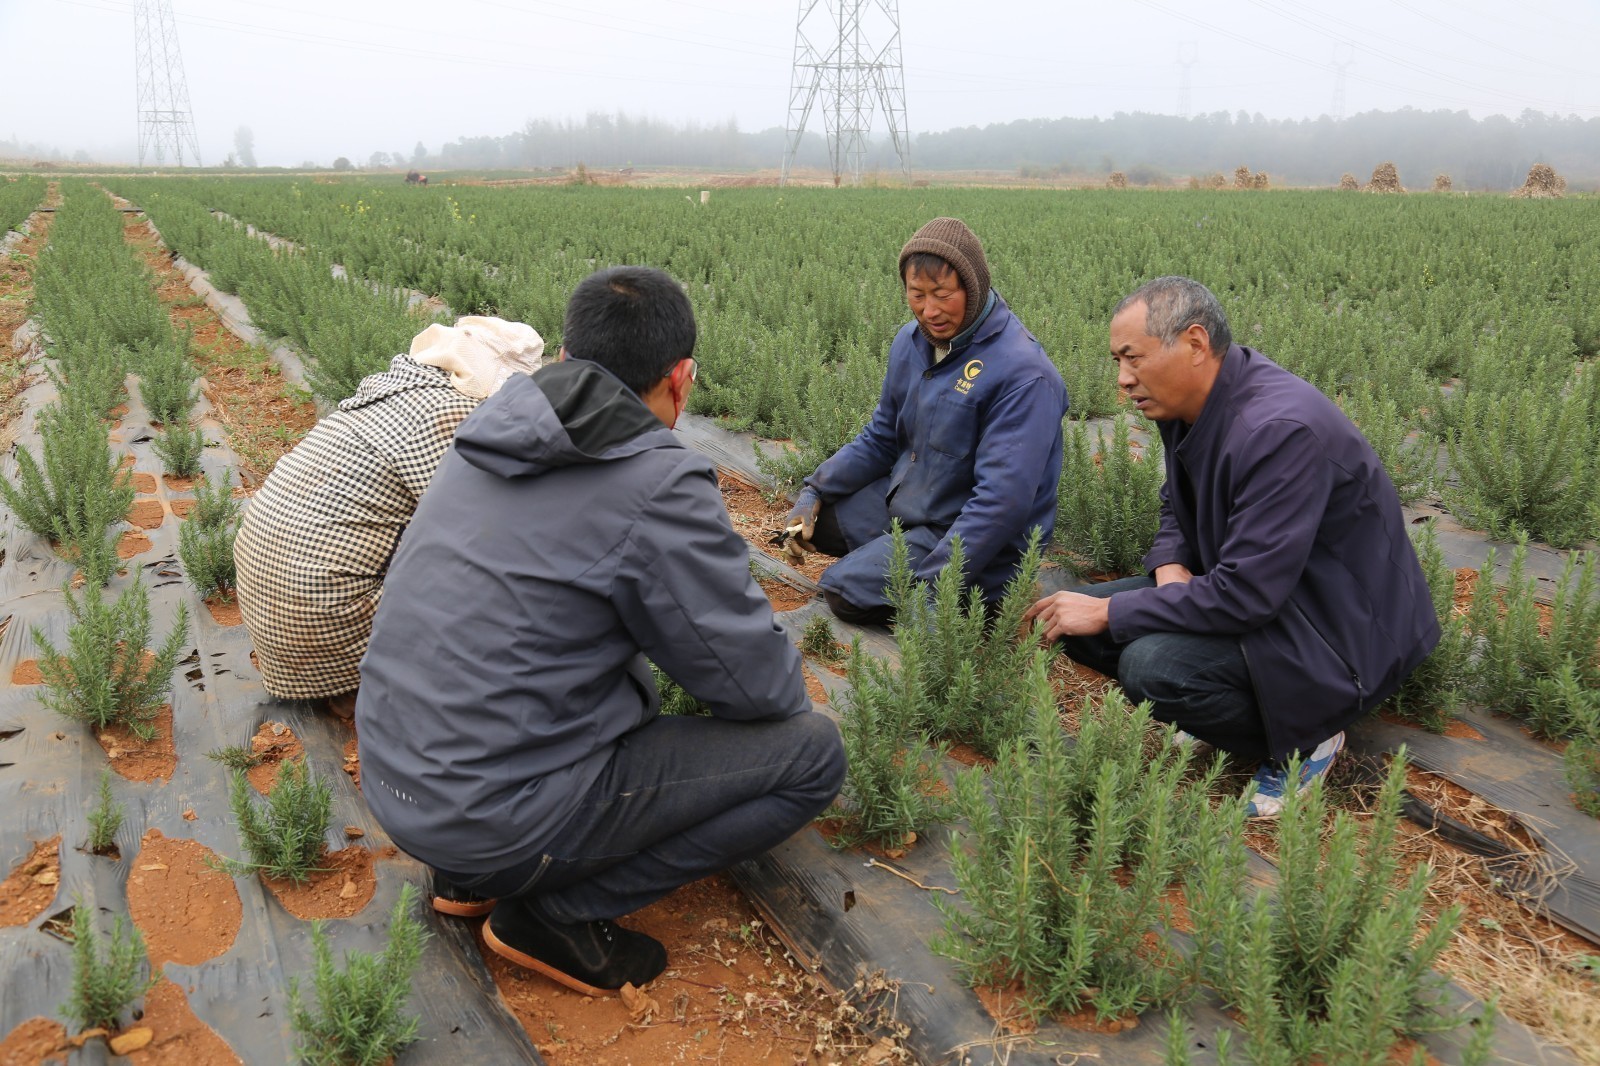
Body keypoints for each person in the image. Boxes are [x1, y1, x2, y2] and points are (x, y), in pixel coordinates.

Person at [355, 266, 845, 995]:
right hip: (493, 815)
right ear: (681, 379)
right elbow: (755, 687)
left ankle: (464, 878)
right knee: (811, 755)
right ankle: (557, 914)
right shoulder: (659, 482)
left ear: (561, 358)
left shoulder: (488, 430)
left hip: (397, 779)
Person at [1024, 276, 1439, 818]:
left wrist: (1114, 609)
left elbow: (1246, 596)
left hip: (1338, 633)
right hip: (1274, 597)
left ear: (1195, 344)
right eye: (1116, 361)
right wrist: (1170, 570)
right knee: (1071, 618)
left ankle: (1309, 738)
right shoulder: (1189, 403)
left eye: (1134, 359)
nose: (1123, 380)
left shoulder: (1279, 430)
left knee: (1150, 664)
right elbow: (1177, 502)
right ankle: (1235, 716)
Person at [234, 317, 544, 716]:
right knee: (485, 576)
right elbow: (480, 525)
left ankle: (345, 678)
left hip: (275, 600)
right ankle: (363, 683)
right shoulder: (451, 412)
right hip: (320, 614)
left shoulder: (394, 392)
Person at [783, 217, 1068, 624]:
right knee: (821, 523)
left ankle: (980, 600)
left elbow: (1000, 505)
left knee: (844, 593)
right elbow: (882, 436)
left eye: (942, 295)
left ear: (973, 288)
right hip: (918, 497)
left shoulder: (1023, 374)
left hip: (970, 530)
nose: (928, 310)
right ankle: (891, 555)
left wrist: (937, 584)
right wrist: (814, 490)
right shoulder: (912, 342)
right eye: (916, 294)